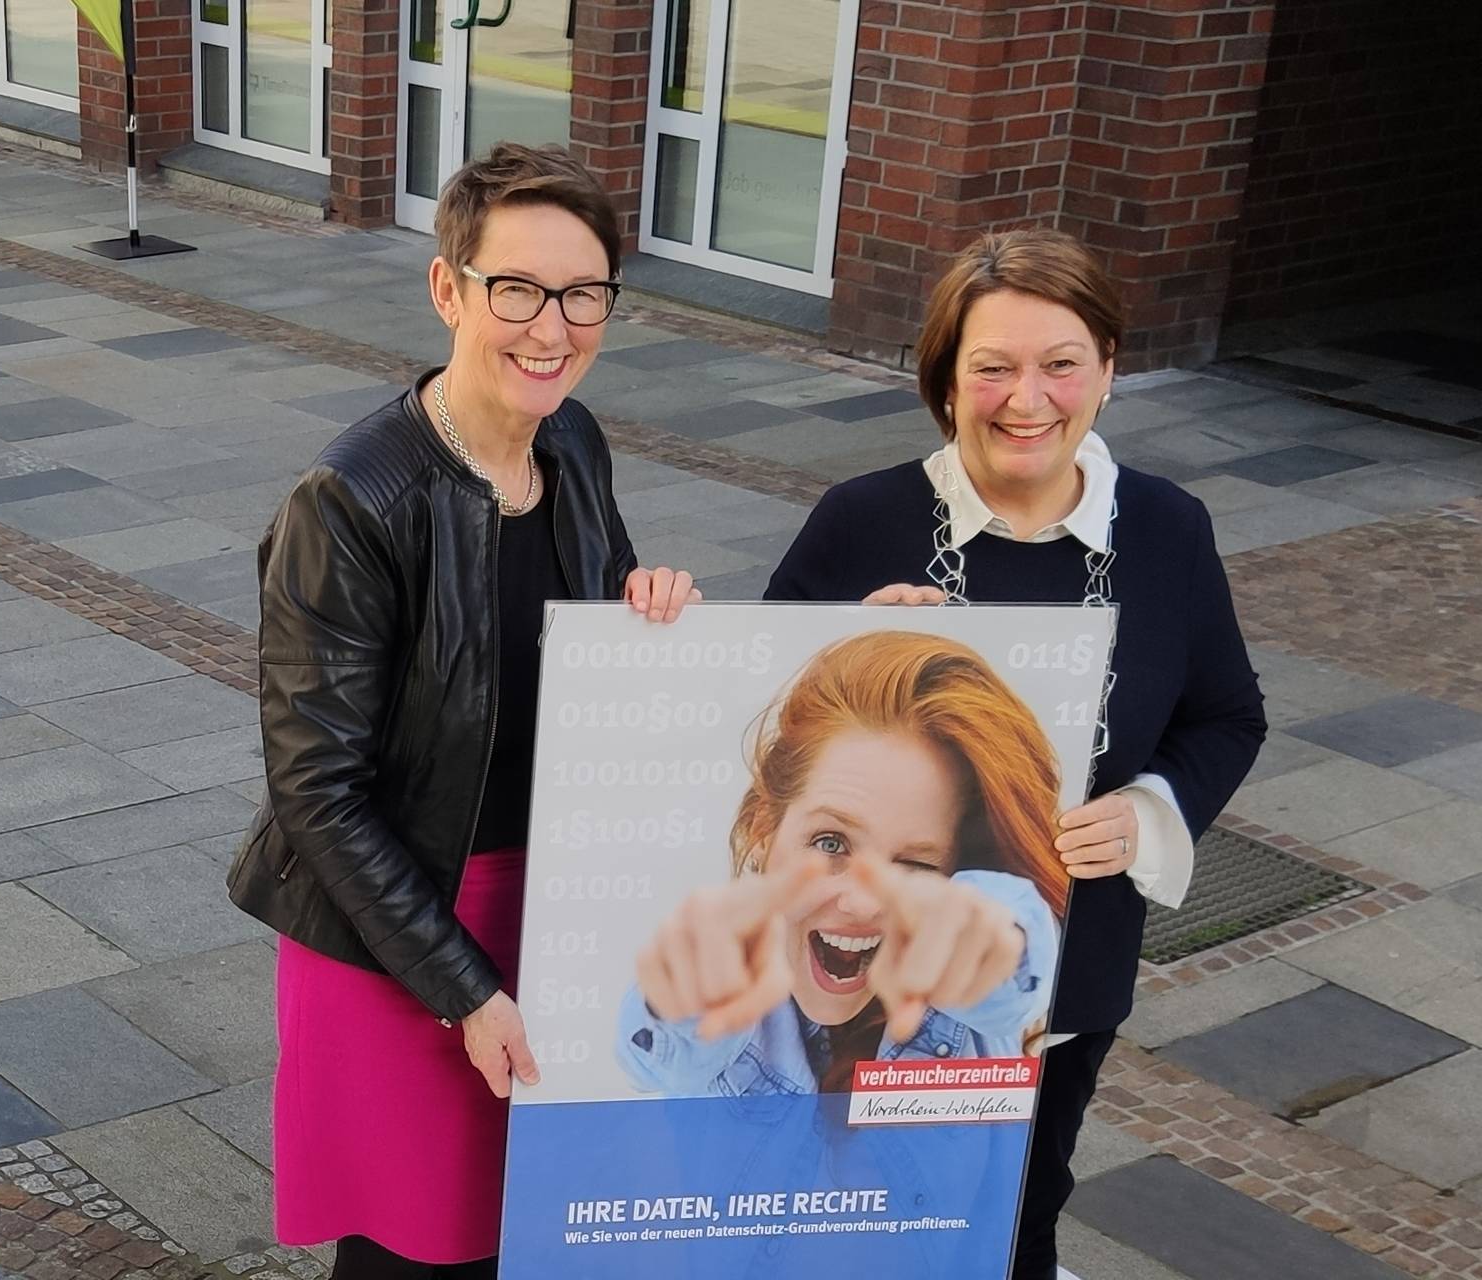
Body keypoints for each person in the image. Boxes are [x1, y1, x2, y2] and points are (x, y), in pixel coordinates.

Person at [224, 143, 704, 1280]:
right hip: (399, 925)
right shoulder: (352, 499)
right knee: (413, 1249)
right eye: (518, 290)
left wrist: (650, 609)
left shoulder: (573, 444)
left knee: (535, 1230)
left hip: (553, 904)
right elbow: (316, 790)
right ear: (449, 289)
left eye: (584, 293)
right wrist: (465, 986)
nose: (553, 327)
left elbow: (591, 636)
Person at [763, 228, 1268, 1279]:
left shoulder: (1168, 530)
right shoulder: (860, 522)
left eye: (1060, 363)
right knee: (832, 1225)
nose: (1025, 397)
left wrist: (1148, 812)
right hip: (850, 989)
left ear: (1109, 370)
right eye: (990, 366)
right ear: (945, 382)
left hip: (1061, 977)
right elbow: (759, 731)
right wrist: (841, 647)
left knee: (1010, 1222)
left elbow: (1226, 713)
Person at [618, 630, 1066, 1099]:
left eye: (914, 865)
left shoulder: (967, 1007)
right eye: (831, 843)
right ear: (762, 827)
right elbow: (662, 1055)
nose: (860, 904)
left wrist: (995, 944)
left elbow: (1011, 967)